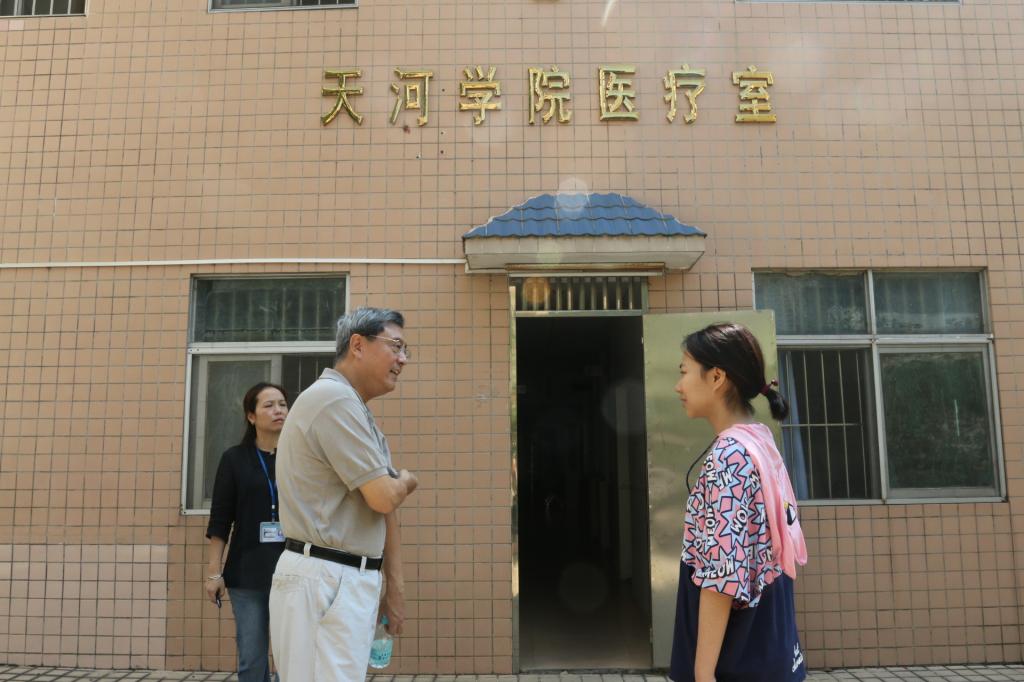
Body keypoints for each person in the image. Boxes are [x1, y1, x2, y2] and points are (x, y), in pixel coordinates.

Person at [269, 307, 419, 682]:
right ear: (358, 345)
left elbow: (383, 510)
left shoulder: (354, 407)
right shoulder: (333, 400)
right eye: (395, 346)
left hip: (342, 575)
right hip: (326, 575)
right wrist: (406, 480)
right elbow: (384, 497)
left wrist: (394, 586)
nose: (402, 359)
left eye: (405, 350)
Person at [670, 322, 808, 682]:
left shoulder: (728, 457)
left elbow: (722, 579)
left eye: (684, 372)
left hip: (737, 658)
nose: (678, 386)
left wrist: (703, 673)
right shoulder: (759, 439)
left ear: (716, 377)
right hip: (770, 644)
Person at [205, 382, 290, 682]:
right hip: (247, 572)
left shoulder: (300, 457)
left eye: (282, 404)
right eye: (269, 405)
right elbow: (220, 520)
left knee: (292, 659)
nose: (278, 410)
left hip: (293, 571)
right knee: (252, 660)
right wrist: (214, 573)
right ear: (251, 416)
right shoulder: (234, 459)